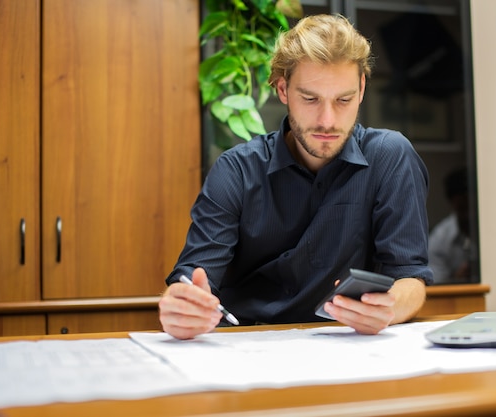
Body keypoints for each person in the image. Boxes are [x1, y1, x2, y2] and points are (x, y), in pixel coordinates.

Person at [159, 14, 433, 340]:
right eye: (310, 98)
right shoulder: (236, 170)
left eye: (343, 100)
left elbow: (410, 276)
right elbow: (192, 277)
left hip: (348, 346)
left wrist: (390, 307)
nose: (327, 121)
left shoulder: (390, 157)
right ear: (283, 89)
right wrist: (181, 303)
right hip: (247, 344)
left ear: (361, 89)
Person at [428, 167, 474, 284]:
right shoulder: (439, 238)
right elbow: (436, 284)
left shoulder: (490, 232)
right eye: (462, 205)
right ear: (452, 202)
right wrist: (456, 278)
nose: (468, 211)